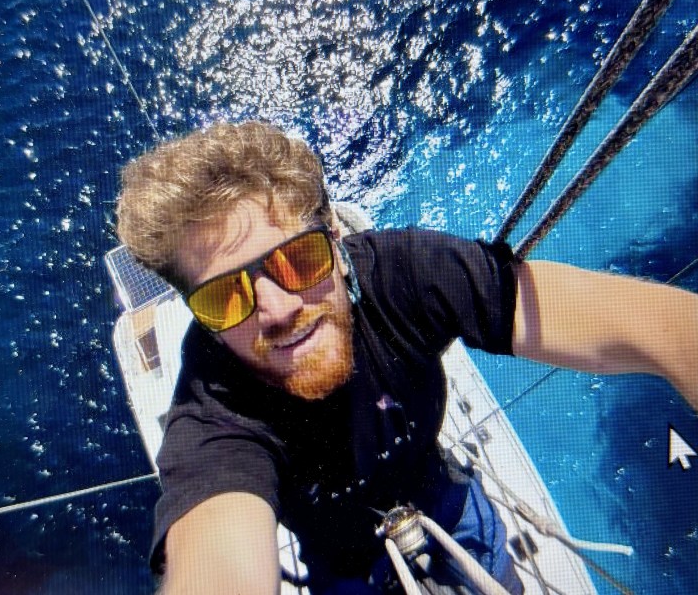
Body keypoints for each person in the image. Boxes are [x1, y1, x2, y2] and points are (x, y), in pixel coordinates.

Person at [115, 121, 698, 594]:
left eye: (298, 260)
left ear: (337, 242)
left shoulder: (407, 277)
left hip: (447, 504)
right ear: (201, 319)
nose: (276, 309)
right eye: (224, 297)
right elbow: (217, 558)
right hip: (344, 567)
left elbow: (669, 329)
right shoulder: (214, 414)